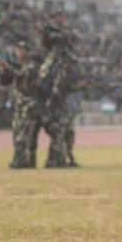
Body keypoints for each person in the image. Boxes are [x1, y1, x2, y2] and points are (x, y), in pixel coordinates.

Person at [38, 14, 79, 168]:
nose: (62, 20)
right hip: (52, 81)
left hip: (60, 93)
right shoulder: (50, 35)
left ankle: (67, 157)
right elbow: (48, 40)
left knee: (67, 130)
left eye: (63, 18)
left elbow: (72, 38)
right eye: (59, 18)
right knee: (58, 130)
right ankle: (57, 159)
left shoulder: (65, 35)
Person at [0, 40, 42, 169]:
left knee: (24, 134)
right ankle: (24, 161)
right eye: (18, 50)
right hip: (19, 105)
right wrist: (3, 69)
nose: (20, 52)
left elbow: (22, 75)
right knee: (17, 132)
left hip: (29, 105)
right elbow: (5, 81)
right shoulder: (17, 65)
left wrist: (7, 66)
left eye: (23, 50)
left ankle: (20, 162)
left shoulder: (32, 65)